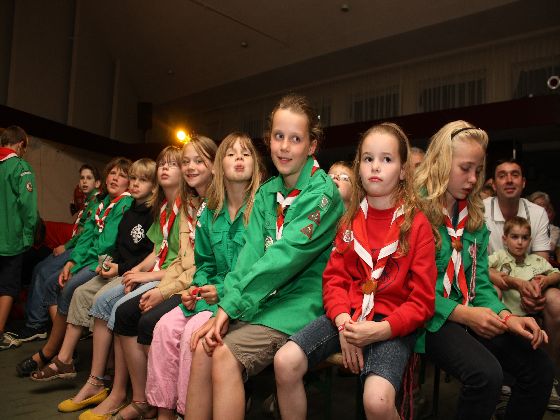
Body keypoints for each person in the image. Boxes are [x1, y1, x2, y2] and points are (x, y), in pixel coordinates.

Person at [184, 93, 344, 420]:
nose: (284, 147)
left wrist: (229, 308)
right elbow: (250, 255)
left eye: (295, 139)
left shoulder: (323, 193)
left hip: (302, 303)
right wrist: (226, 304)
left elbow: (285, 256)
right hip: (264, 299)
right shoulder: (268, 192)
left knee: (224, 354)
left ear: (312, 146)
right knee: (203, 347)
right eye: (278, 136)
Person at [274, 122, 437, 419]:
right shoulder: (350, 220)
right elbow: (333, 280)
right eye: (368, 158)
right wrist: (342, 322)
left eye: (387, 159)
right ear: (359, 167)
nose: (376, 166)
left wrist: (382, 329)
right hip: (347, 316)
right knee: (285, 362)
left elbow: (423, 302)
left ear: (403, 171)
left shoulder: (417, 225)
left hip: (391, 324)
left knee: (377, 402)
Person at [414, 120, 553, 420]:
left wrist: (507, 316)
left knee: (540, 368)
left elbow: (480, 285)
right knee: (486, 375)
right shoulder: (414, 212)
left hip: (469, 311)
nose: (473, 179)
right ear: (440, 162)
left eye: (478, 170)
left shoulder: (474, 215)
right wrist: (466, 315)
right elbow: (409, 289)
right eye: (465, 168)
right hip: (428, 317)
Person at [76, 139, 216, 420]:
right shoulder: (170, 207)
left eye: (174, 164)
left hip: (189, 282)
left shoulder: (194, 206)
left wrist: (155, 283)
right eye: (180, 162)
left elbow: (190, 263)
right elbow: (165, 253)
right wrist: (138, 273)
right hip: (178, 277)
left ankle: (147, 399)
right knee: (111, 305)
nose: (168, 168)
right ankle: (122, 390)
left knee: (130, 313)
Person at [23, 159, 156, 410]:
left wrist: (118, 267)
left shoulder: (147, 212)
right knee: (78, 291)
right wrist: (87, 261)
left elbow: (150, 253)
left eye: (142, 179)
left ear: (154, 186)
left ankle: (93, 372)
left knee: (90, 295)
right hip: (113, 265)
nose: (135, 183)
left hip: (126, 271)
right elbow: (107, 242)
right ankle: (68, 359)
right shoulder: (126, 209)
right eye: (133, 178)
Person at [145, 133, 261, 419]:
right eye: (231, 153)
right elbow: (205, 262)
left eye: (245, 153)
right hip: (207, 294)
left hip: (238, 299)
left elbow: (255, 269)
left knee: (192, 337)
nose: (238, 158)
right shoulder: (210, 211)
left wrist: (220, 290)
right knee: (163, 328)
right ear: (220, 164)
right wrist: (195, 288)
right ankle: (164, 412)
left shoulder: (260, 208)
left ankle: (190, 411)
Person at [16, 157, 132, 374]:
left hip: (104, 262)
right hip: (89, 258)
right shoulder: (104, 203)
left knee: (68, 287)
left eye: (122, 175)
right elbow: (86, 236)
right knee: (54, 282)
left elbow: (107, 244)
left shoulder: (124, 204)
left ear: (129, 183)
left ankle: (53, 351)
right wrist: (71, 261)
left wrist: (83, 264)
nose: (115, 178)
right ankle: (60, 348)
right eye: (112, 173)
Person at [8, 164, 101, 343]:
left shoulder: (97, 203)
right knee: (39, 268)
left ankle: (36, 324)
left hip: (81, 250)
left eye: (89, 178)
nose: (84, 181)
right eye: (82, 178)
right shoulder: (87, 202)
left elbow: (84, 235)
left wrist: (66, 246)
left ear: (97, 183)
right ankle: (35, 320)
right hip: (76, 246)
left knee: (44, 272)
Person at [0, 126, 38, 350]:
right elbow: (27, 206)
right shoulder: (21, 167)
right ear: (21, 144)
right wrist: (29, 235)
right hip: (10, 239)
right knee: (8, 286)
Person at [488, 216, 560, 314]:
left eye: (525, 238)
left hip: (533, 311)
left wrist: (547, 280)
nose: (520, 242)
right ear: (505, 239)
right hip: (505, 312)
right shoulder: (500, 256)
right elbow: (481, 267)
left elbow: (557, 274)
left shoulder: (536, 260)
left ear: (529, 241)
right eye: (514, 237)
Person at [484, 159, 550, 257]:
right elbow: (473, 260)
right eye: (502, 176)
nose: (509, 180)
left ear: (523, 182)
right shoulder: (480, 211)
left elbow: (541, 261)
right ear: (494, 185)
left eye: (515, 175)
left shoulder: (538, 214)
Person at [527, 191, 560, 263]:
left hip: (544, 261)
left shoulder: (554, 229)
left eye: (543, 205)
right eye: (537, 204)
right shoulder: (523, 222)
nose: (540, 207)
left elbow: (551, 247)